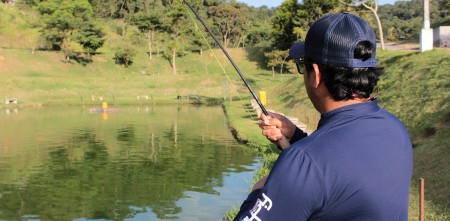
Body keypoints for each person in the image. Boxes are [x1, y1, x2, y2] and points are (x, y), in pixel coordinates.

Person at [233, 13, 413, 221]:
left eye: (303, 66)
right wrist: (296, 137)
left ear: (316, 74)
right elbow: (343, 171)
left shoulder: (304, 162)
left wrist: (258, 192)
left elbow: (321, 168)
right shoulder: (396, 129)